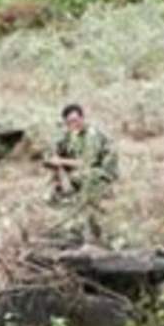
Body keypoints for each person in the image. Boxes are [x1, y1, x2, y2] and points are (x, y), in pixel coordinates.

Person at [42, 103, 120, 245]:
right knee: (51, 194)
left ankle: (82, 225)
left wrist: (60, 161)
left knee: (78, 184)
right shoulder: (69, 134)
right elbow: (50, 153)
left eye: (76, 120)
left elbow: (86, 163)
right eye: (69, 122)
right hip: (82, 173)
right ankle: (75, 223)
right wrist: (53, 160)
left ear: (82, 118)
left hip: (100, 173)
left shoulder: (91, 135)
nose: (74, 124)